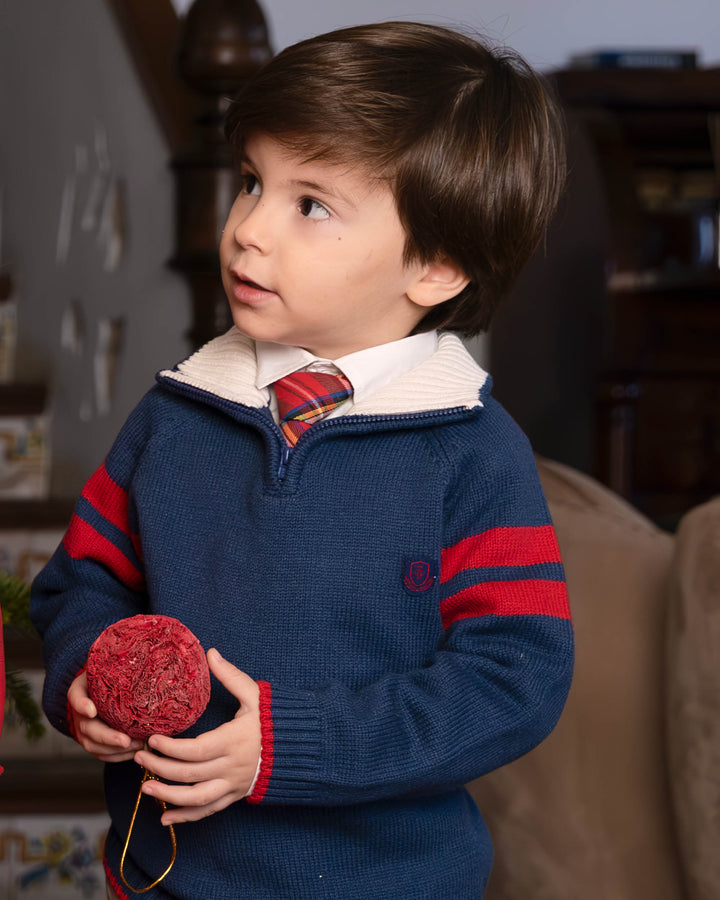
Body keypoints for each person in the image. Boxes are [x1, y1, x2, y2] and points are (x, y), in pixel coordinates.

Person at [31, 21, 573, 899]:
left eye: (310, 204)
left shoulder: (470, 454)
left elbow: (515, 679)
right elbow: (77, 585)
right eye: (252, 182)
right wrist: (86, 672)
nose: (247, 230)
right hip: (162, 878)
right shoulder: (174, 416)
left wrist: (288, 746)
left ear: (436, 266)